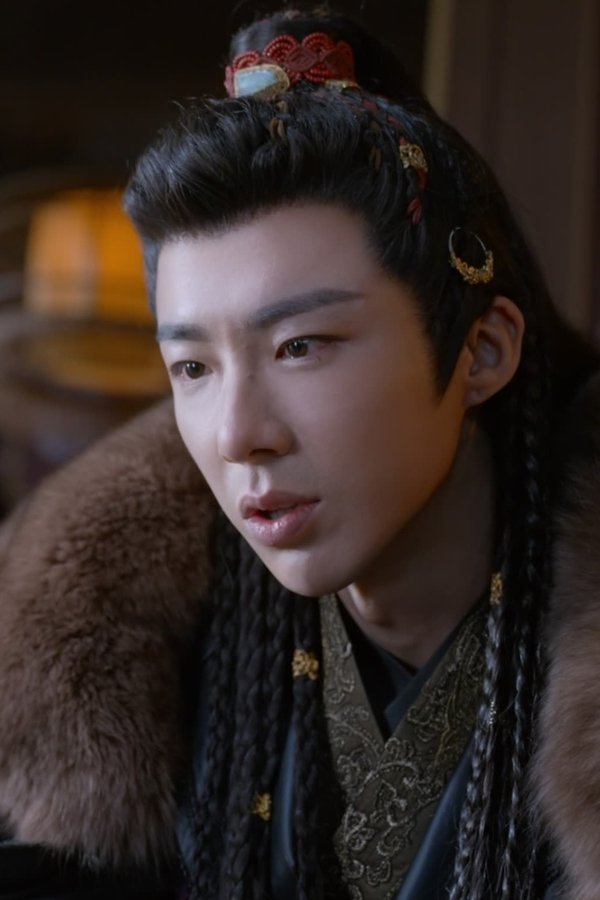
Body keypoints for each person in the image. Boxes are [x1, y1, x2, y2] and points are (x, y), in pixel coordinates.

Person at [0, 7, 599, 899]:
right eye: (193, 367)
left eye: (301, 346)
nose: (238, 433)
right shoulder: (162, 670)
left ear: (482, 351)